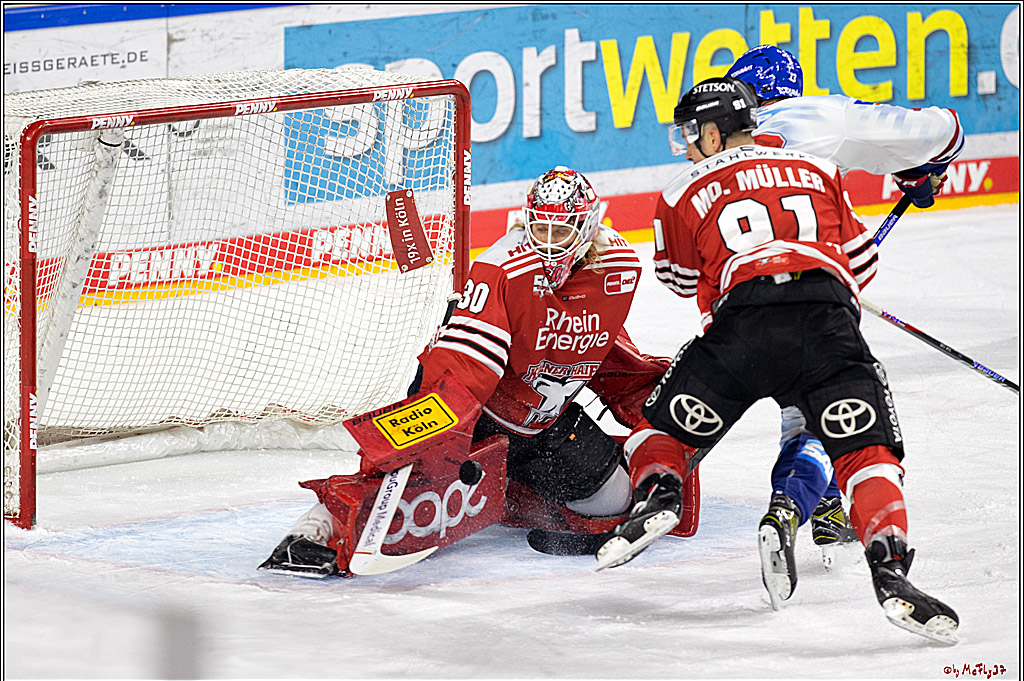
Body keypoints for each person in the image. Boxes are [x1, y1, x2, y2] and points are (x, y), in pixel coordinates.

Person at [596, 76, 959, 646]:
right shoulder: (818, 170)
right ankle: (890, 572)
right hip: (827, 327)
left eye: (691, 135)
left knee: (658, 429)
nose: (688, 147)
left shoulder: (679, 188)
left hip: (742, 328)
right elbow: (861, 265)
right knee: (868, 455)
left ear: (714, 133)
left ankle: (659, 495)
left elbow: (678, 279)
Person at [259, 166, 699, 577]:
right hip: (472, 407)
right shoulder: (503, 267)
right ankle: (313, 529)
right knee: (403, 491)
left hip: (543, 427)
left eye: (560, 230)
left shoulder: (618, 267)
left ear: (587, 228)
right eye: (538, 227)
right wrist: (431, 433)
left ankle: (510, 493)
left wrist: (650, 400)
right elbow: (465, 365)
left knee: (616, 501)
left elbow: (599, 342)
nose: (548, 242)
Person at [721, 45, 965, 573]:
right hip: (814, 293)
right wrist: (922, 168)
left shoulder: (719, 138)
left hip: (731, 298)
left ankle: (829, 506)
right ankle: (790, 509)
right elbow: (943, 130)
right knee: (828, 410)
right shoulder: (816, 112)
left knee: (800, 402)